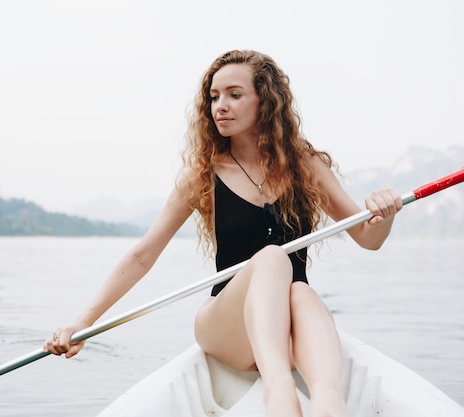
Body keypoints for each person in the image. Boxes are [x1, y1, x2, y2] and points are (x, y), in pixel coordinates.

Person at [44, 49, 402, 417]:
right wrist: (83, 322)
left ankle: (329, 404)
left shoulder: (304, 166)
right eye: (214, 97)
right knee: (272, 258)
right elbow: (143, 255)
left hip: (291, 317)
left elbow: (367, 238)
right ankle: (279, 394)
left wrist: (383, 215)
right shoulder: (203, 176)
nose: (220, 106)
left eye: (234, 94)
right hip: (225, 323)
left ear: (265, 100)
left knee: (303, 293)